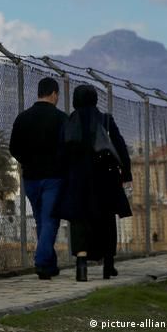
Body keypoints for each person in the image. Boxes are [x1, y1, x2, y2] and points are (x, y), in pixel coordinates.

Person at [57, 84, 133, 282]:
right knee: (106, 219)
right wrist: (126, 173)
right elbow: (120, 147)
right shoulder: (106, 120)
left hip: (77, 180)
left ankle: (81, 266)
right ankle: (108, 264)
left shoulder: (69, 122)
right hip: (105, 178)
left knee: (79, 219)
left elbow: (61, 153)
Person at [9, 77, 68, 280]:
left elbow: (13, 148)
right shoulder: (62, 118)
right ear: (54, 94)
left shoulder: (22, 118)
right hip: (54, 176)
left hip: (31, 177)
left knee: (42, 219)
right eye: (57, 95)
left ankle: (50, 264)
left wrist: (28, 161)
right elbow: (69, 147)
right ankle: (42, 262)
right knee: (50, 219)